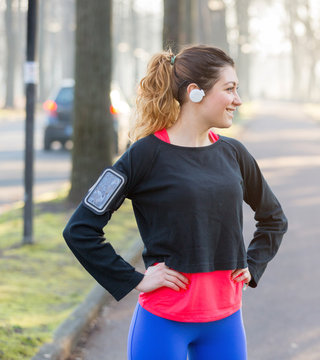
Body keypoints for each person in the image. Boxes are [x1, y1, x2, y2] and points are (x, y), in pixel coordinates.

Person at [63, 44, 288, 360]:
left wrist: (253, 263)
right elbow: (80, 229)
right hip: (164, 322)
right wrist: (136, 279)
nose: (238, 99)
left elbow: (274, 218)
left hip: (225, 320)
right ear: (195, 92)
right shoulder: (143, 156)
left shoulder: (234, 154)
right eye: (230, 89)